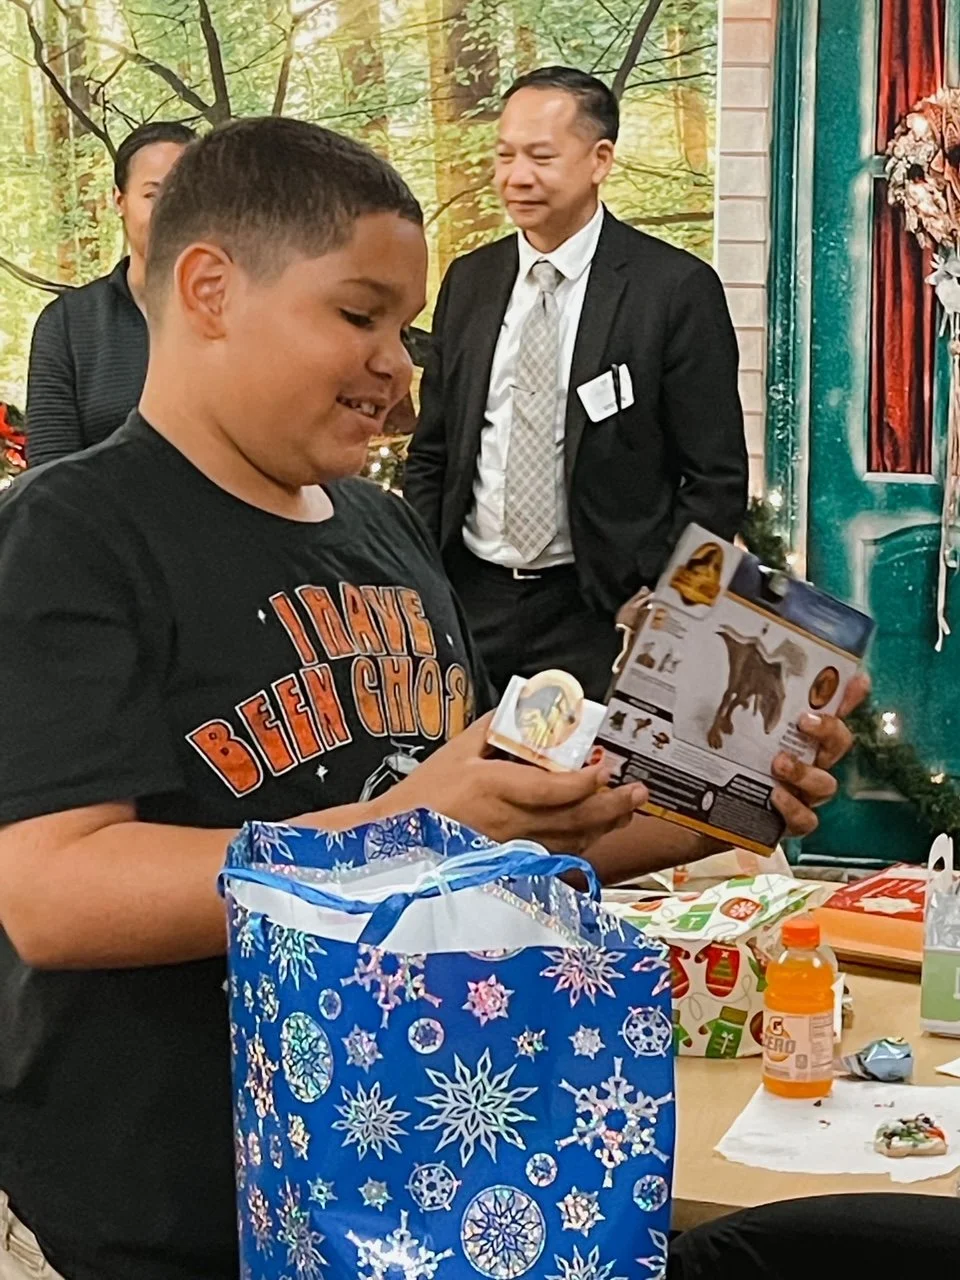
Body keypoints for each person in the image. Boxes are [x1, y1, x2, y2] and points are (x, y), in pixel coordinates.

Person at [0, 117, 858, 1280]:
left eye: (405, 328)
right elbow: (53, 892)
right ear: (209, 288)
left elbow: (492, 831)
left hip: (427, 1182)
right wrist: (418, 825)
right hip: (190, 1204)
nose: (402, 365)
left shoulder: (386, 528)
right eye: (358, 316)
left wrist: (720, 795)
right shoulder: (71, 532)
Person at [404, 66, 747, 702]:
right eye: (504, 156)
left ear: (599, 160)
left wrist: (673, 611)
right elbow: (434, 450)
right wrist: (423, 577)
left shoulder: (672, 291)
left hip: (604, 611)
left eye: (540, 156)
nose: (516, 177)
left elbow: (717, 484)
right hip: (469, 598)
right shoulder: (471, 281)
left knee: (588, 795)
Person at [24, 120, 195, 467]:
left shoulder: (246, 313)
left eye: (188, 195)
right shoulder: (68, 325)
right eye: (153, 194)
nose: (172, 211)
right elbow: (49, 473)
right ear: (120, 201)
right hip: (96, 519)